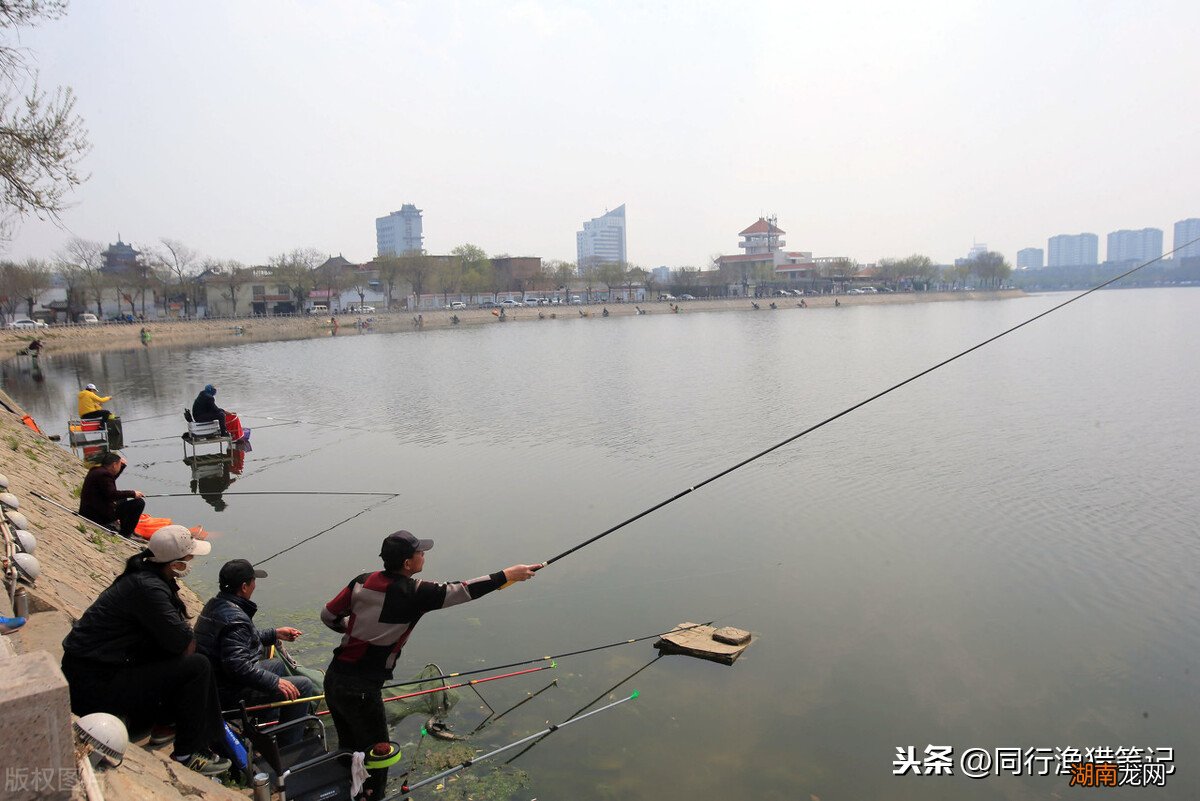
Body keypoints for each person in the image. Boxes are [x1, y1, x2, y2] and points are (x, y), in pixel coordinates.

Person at [320, 531, 541, 799]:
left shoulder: (362, 581)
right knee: (379, 755)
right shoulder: (415, 593)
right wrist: (508, 574)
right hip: (363, 690)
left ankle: (347, 791)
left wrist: (353, 630)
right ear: (407, 564)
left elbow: (328, 615)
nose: (424, 555)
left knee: (348, 749)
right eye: (420, 553)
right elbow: (464, 590)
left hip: (334, 679)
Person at [60, 526, 231, 777]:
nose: (191, 562)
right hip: (92, 683)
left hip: (102, 670)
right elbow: (185, 644)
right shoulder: (148, 589)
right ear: (176, 565)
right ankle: (188, 753)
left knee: (173, 658)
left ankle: (165, 725)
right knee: (198, 666)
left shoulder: (148, 578)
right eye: (188, 558)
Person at [194, 560, 314, 744]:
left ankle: (268, 727)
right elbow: (236, 665)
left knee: (276, 664)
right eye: (253, 581)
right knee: (303, 685)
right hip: (227, 691)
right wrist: (274, 682)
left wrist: (274, 633)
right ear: (244, 586)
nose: (254, 585)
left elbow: (240, 639)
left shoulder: (217, 604)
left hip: (216, 680)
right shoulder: (236, 618)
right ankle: (289, 746)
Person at [79, 451, 145, 537]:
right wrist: (133, 493)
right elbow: (112, 495)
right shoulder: (104, 475)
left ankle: (123, 527)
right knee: (139, 503)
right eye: (119, 465)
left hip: (89, 510)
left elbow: (110, 482)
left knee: (122, 498)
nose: (119, 466)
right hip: (96, 516)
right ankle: (126, 533)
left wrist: (122, 467)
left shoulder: (97, 471)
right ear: (114, 465)